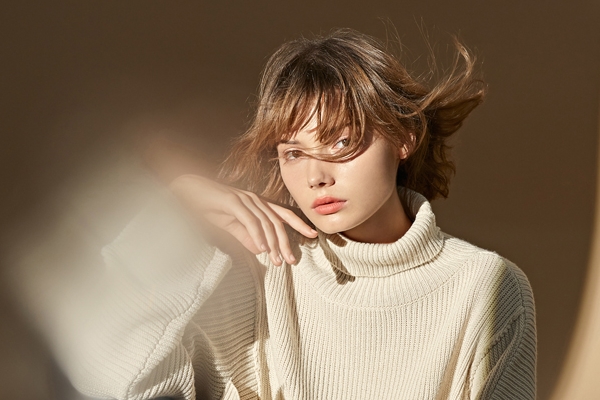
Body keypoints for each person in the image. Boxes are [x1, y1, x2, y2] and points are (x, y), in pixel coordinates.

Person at [58, 29, 536, 399]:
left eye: (341, 141)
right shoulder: (257, 270)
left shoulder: (485, 286)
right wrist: (172, 214)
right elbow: (109, 381)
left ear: (403, 137)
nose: (315, 177)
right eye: (293, 153)